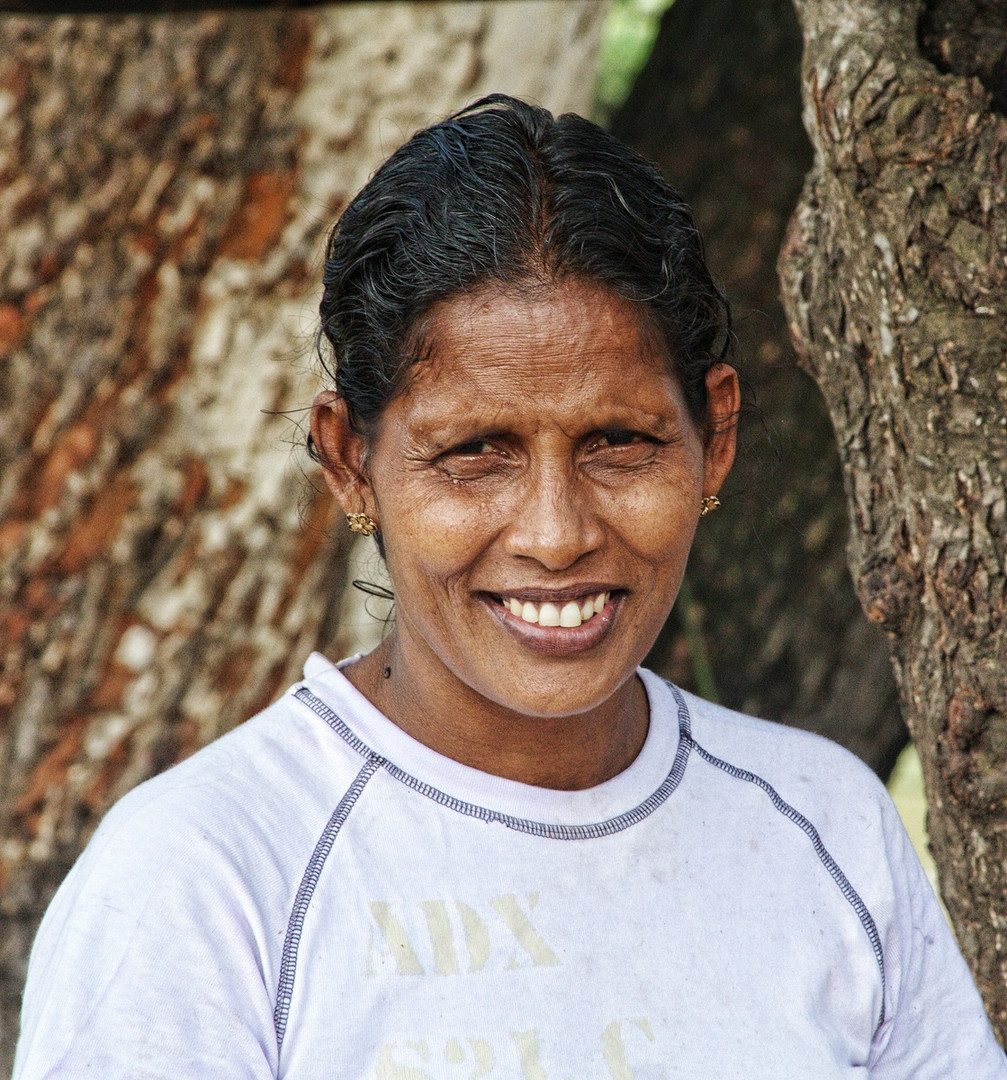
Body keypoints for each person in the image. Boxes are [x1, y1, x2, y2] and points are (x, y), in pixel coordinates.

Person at [13, 95, 1006, 1080]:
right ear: (350, 462)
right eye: (473, 453)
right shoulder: (206, 877)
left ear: (714, 440)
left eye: (618, 442)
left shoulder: (820, 829)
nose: (553, 534)